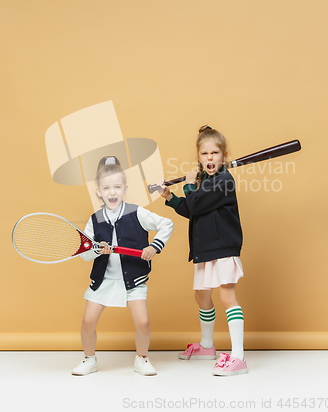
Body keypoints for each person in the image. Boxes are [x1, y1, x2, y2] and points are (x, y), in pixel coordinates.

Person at [72, 156, 173, 376]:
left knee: (143, 322)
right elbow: (84, 254)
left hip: (133, 280)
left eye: (117, 187)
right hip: (104, 280)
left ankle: (142, 358)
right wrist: (97, 249)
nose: (112, 192)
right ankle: (89, 359)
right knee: (88, 321)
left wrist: (154, 246)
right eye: (106, 187)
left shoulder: (136, 212)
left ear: (125, 188)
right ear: (98, 190)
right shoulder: (95, 219)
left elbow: (166, 224)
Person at [158, 126, 247, 376]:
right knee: (201, 295)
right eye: (205, 153)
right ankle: (207, 347)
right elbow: (191, 209)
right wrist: (170, 197)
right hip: (206, 247)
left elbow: (195, 203)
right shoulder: (207, 180)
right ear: (199, 157)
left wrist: (189, 185)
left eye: (215, 152)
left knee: (227, 296)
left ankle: (239, 357)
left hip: (223, 245)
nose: (210, 158)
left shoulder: (224, 180)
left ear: (224, 155)